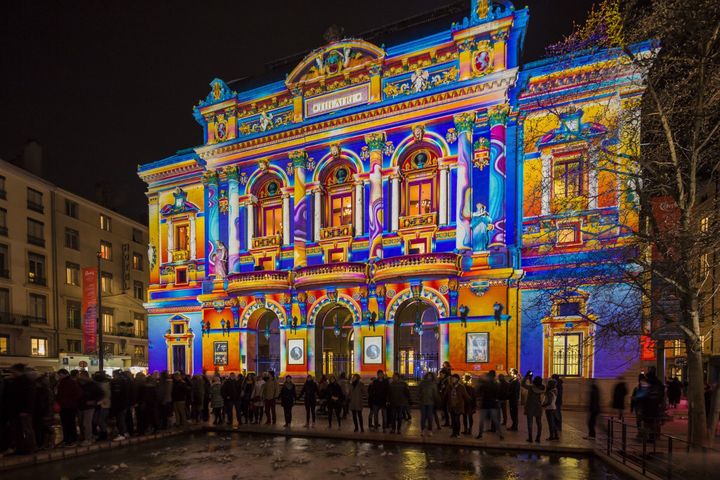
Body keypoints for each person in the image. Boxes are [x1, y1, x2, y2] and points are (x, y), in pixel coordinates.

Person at [56, 368, 81, 446]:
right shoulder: (63, 382)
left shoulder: (69, 382)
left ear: (64, 374)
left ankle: (71, 439)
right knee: (67, 423)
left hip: (68, 406)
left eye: (60, 375)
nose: (59, 376)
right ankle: (68, 439)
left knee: (69, 423)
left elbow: (77, 394)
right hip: (66, 405)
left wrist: (69, 401)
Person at [77, 370, 103, 445]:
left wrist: (94, 401)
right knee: (81, 423)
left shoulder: (92, 384)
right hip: (81, 406)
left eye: (81, 375)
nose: (80, 376)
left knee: (86, 423)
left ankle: (88, 438)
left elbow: (101, 394)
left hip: (89, 407)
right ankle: (84, 436)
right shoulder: (79, 384)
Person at [476, 370, 503, 440]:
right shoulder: (496, 383)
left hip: (486, 404)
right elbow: (498, 393)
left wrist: (480, 380)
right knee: (495, 420)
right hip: (492, 404)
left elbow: (478, 390)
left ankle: (480, 434)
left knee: (482, 420)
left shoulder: (486, 383)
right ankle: (500, 434)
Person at [521, 371, 545, 443]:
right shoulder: (542, 388)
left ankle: (530, 438)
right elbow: (536, 386)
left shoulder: (531, 388)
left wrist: (526, 376)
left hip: (530, 406)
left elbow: (523, 384)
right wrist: (531, 379)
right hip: (538, 406)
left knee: (530, 423)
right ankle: (538, 438)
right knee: (539, 422)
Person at [419, 372, 440, 436]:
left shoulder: (433, 384)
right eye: (428, 376)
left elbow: (435, 394)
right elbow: (419, 391)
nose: (429, 377)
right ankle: (422, 430)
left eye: (430, 376)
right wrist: (420, 397)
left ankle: (430, 430)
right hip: (423, 402)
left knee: (430, 417)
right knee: (423, 417)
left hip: (431, 403)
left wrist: (437, 401)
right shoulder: (422, 383)